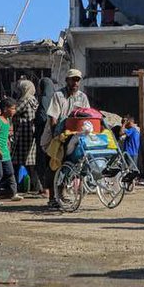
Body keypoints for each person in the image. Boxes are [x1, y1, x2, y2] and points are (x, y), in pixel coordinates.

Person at [43, 70, 91, 210]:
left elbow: (86, 116)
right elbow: (53, 118)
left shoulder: (82, 97)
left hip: (74, 135)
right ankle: (52, 197)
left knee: (70, 164)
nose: (75, 83)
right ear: (67, 80)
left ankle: (62, 194)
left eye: (77, 80)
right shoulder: (58, 96)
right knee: (54, 165)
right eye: (72, 80)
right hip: (56, 135)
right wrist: (56, 137)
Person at [10, 79, 41, 196]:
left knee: (15, 161)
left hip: (22, 135)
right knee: (30, 163)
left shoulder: (24, 100)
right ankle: (38, 187)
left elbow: (13, 111)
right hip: (30, 134)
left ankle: (13, 187)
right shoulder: (34, 100)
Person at [33, 78, 55, 199]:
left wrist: (35, 121)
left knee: (43, 162)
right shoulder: (57, 98)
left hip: (43, 137)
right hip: (54, 137)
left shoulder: (44, 100)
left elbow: (42, 118)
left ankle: (46, 189)